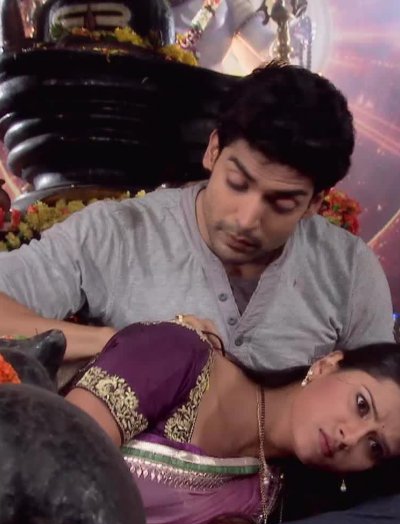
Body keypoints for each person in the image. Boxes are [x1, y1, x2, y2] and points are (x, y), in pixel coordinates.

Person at [0, 62, 393, 367]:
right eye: (237, 183)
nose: (246, 219)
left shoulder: (349, 271)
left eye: (281, 203)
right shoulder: (117, 232)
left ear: (315, 203)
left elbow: (383, 405)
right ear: (213, 151)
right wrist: (123, 344)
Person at [62, 319, 400, 524]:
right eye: (361, 405)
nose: (349, 438)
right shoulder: (176, 354)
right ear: (328, 365)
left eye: (375, 447)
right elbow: (55, 475)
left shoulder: (272, 509)